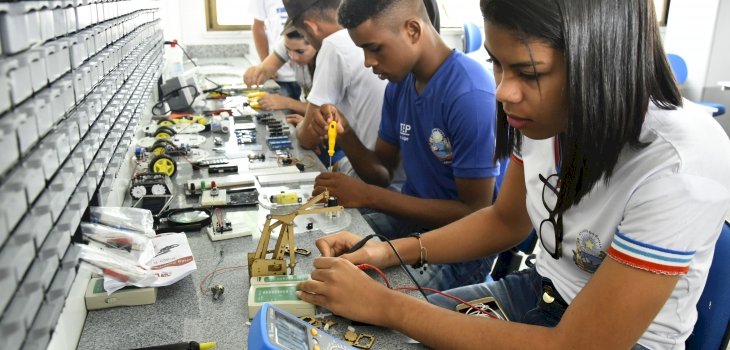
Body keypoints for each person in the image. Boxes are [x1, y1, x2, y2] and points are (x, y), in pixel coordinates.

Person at [295, 0, 730, 349]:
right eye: (497, 64)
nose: (502, 90)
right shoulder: (542, 114)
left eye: (528, 71)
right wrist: (384, 254)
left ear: (600, 58)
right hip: (539, 291)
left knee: (386, 322)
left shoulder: (680, 161)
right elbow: (505, 220)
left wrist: (389, 306)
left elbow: (579, 343)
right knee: (351, 329)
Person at [313, 0, 500, 290]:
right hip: (410, 221)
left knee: (373, 293)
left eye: (374, 48)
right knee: (326, 249)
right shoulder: (398, 88)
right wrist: (346, 133)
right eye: (362, 50)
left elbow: (474, 212)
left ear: (413, 30)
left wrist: (370, 196)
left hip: (462, 242)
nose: (367, 61)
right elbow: (382, 172)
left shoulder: (469, 94)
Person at [281, 0, 387, 176]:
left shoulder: (334, 44)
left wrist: (302, 127)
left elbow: (307, 137)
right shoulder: (370, 31)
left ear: (311, 26)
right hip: (390, 168)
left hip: (373, 171)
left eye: (303, 35)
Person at [243, 30, 318, 117]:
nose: (293, 57)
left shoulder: (327, 60)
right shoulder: (290, 44)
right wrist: (255, 74)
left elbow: (325, 110)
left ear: (315, 43)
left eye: (300, 52)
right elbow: (265, 70)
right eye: (288, 50)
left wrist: (287, 102)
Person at [248, 0, 301, 99]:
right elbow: (258, 26)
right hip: (279, 75)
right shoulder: (283, 47)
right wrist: (266, 66)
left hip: (309, 74)